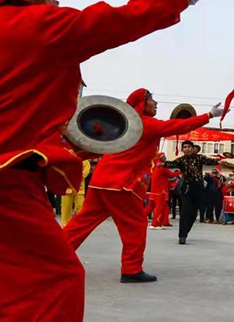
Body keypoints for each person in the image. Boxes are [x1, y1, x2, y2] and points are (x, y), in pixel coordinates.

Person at [0, 0, 208, 320]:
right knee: (52, 285)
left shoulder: (0, 32)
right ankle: (130, 267)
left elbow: (15, 119)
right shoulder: (31, 24)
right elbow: (108, 23)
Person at [64, 90, 220, 281]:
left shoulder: (122, 124)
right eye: (152, 100)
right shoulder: (143, 124)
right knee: (135, 226)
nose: (156, 104)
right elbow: (177, 126)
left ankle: (49, 258)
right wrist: (209, 115)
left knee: (80, 224)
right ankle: (131, 269)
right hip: (122, 185)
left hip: (100, 182)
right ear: (142, 103)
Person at [161, 141, 221, 244]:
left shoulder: (199, 158)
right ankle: (182, 235)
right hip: (186, 187)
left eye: (189, 147)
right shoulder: (181, 160)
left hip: (198, 187)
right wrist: (163, 163)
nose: (187, 149)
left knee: (193, 213)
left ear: (193, 148)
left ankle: (186, 231)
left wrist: (220, 161)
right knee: (185, 211)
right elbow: (171, 163)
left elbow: (210, 161)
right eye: (185, 147)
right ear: (182, 150)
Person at [61, 159, 92, 227]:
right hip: (66, 188)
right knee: (66, 208)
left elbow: (86, 172)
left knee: (80, 207)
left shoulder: (85, 161)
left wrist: (75, 175)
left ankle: (80, 225)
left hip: (79, 188)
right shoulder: (66, 159)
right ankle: (65, 226)